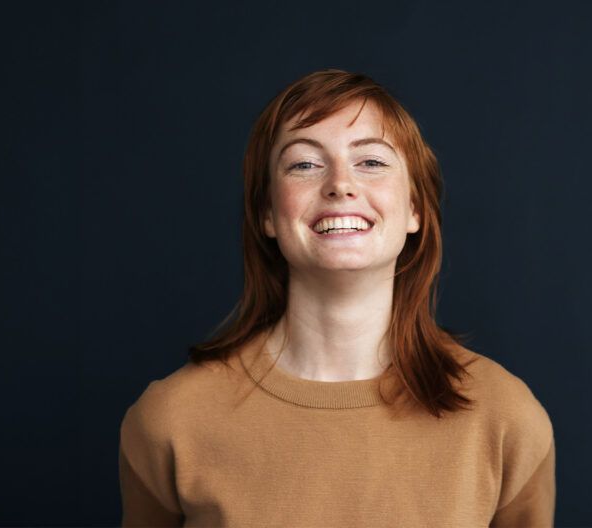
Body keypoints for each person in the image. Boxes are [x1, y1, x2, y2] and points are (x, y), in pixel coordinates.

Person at [118, 69, 556, 527]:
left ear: (415, 209)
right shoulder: (171, 419)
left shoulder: (506, 418)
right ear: (267, 213)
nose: (340, 184)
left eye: (371, 162)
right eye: (304, 164)